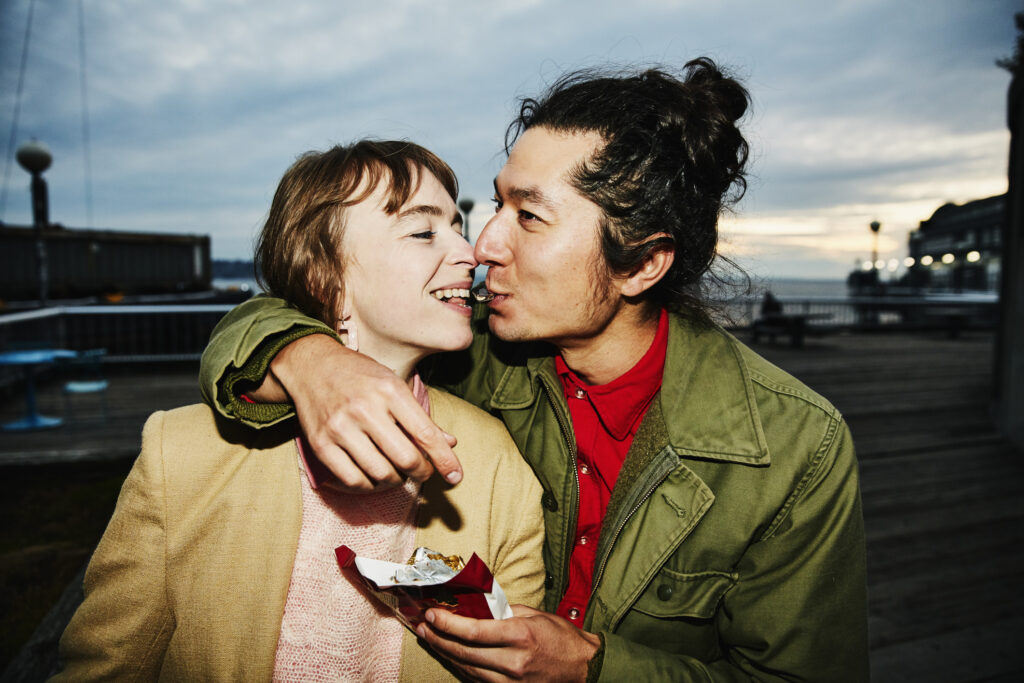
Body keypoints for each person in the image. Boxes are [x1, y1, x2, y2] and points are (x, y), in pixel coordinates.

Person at [198, 59, 869, 681]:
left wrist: (593, 669)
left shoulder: (794, 446)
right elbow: (267, 315)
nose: (484, 244)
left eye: (530, 216)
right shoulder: (470, 354)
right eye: (498, 205)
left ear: (642, 263)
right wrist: (311, 360)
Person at [53, 141, 545, 682]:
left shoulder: (497, 462)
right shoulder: (180, 454)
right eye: (423, 232)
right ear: (326, 281)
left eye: (456, 226)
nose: (470, 253)